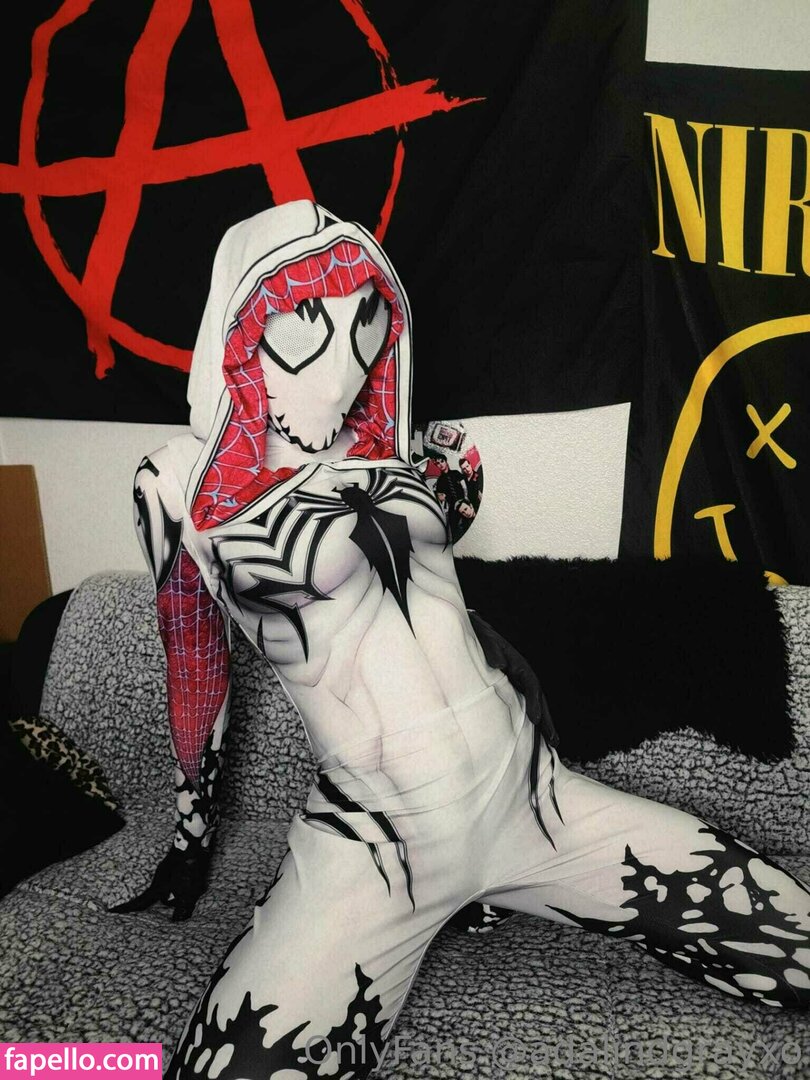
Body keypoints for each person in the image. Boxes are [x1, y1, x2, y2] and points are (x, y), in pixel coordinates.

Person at [111, 201, 810, 1080]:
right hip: (378, 842)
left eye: (367, 316)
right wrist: (191, 834)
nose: (343, 356)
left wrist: (450, 488)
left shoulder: (398, 449)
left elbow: (438, 610)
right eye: (306, 315)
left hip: (535, 800)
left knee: (793, 944)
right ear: (243, 317)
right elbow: (195, 663)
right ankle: (43, 1063)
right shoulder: (178, 482)